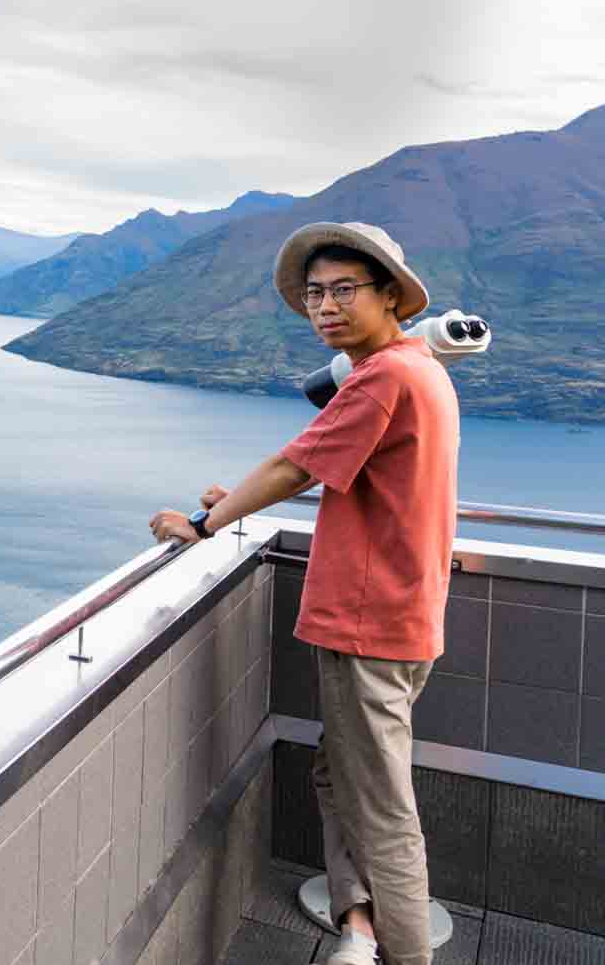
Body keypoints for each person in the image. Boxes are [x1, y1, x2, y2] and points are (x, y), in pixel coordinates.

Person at [146, 221, 459, 965]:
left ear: (391, 297)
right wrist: (242, 503)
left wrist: (205, 522)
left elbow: (294, 465)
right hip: (404, 616)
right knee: (338, 771)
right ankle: (360, 924)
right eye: (317, 293)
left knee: (383, 811)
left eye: (345, 290)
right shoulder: (419, 370)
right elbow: (356, 481)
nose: (326, 306)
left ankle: (406, 955)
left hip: (369, 625)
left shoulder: (382, 374)